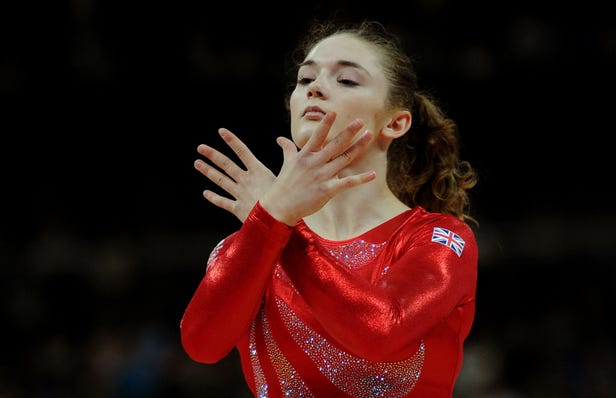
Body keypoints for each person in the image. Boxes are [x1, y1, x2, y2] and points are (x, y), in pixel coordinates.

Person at [180, 19, 479, 398]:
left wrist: (277, 224)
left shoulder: (439, 238)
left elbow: (379, 331)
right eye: (305, 80)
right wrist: (269, 223)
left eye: (347, 80)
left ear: (396, 122)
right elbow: (201, 345)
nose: (316, 89)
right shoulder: (245, 248)